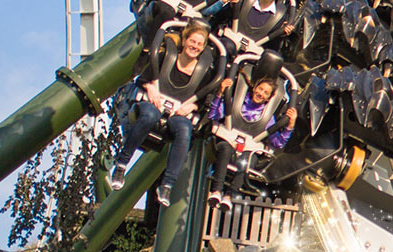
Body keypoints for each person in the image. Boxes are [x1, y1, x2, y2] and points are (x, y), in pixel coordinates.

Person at [111, 21, 224, 206]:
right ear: (185, 40)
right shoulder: (166, 57)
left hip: (179, 113)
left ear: (203, 48)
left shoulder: (204, 72)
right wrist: (151, 87)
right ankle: (122, 164)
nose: (194, 47)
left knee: (185, 132)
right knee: (149, 117)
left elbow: (205, 103)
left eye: (199, 44)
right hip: (154, 103)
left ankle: (167, 185)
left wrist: (192, 107)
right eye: (192, 42)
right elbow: (143, 80)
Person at [205, 71, 297, 206]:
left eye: (266, 93)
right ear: (254, 88)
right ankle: (217, 191)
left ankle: (229, 196)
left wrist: (290, 125)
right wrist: (220, 93)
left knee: (247, 161)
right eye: (260, 89)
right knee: (225, 149)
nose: (261, 94)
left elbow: (278, 143)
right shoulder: (237, 103)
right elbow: (213, 115)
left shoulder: (267, 117)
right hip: (227, 141)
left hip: (247, 149)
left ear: (268, 98)